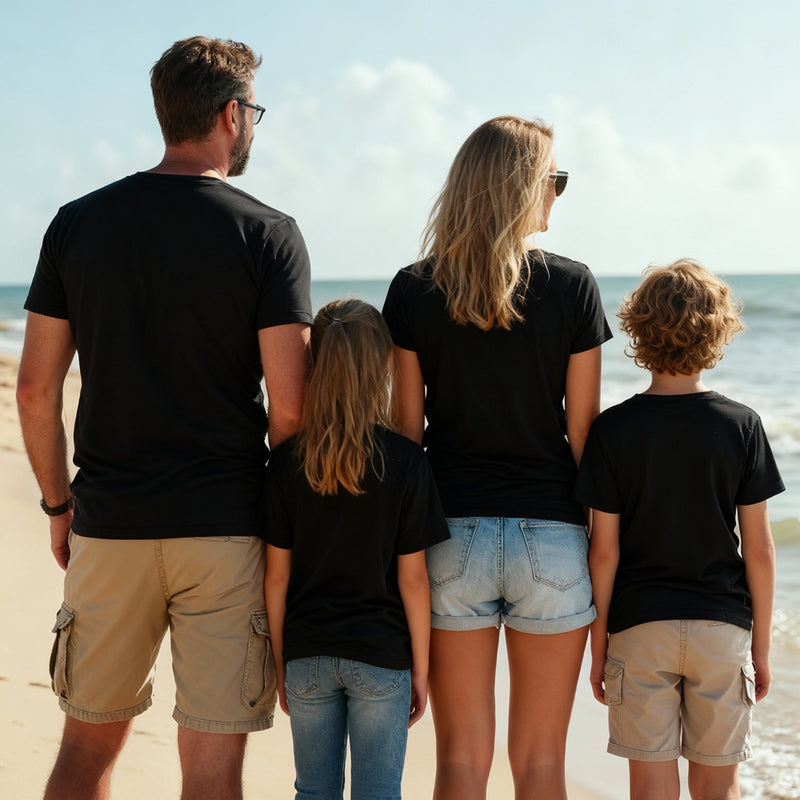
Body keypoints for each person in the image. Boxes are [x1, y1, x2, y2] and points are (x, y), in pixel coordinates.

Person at [16, 36, 312, 800]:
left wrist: (58, 506)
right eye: (254, 112)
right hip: (225, 529)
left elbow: (36, 390)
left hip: (110, 522)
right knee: (212, 771)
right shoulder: (268, 232)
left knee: (84, 751)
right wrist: (292, 525)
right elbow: (290, 407)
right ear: (231, 115)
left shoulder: (77, 223)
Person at [382, 116, 612, 800]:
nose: (557, 194)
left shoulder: (413, 288)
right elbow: (584, 435)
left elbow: (406, 433)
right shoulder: (573, 285)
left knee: (458, 761)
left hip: (449, 535)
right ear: (523, 187)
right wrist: (605, 544)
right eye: (554, 179)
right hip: (554, 537)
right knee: (541, 764)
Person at [574, 259, 784, 800]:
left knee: (650, 786)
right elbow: (759, 551)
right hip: (721, 628)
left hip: (640, 627)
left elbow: (603, 552)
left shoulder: (612, 430)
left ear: (639, 331)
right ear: (718, 332)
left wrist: (599, 644)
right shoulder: (741, 426)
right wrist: (760, 648)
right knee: (719, 785)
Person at [263, 299, 449, 800]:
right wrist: (421, 670)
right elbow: (413, 580)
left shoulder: (285, 463)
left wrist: (281, 664)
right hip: (381, 656)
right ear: (383, 365)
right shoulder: (407, 462)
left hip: (307, 653)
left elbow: (276, 578)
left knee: (313, 792)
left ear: (315, 364)